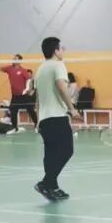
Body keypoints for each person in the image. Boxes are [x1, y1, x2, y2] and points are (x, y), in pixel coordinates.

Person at [33, 37, 81, 201]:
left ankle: (52, 187)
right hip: (57, 117)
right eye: (61, 48)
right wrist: (72, 109)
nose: (63, 51)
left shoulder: (40, 69)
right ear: (55, 50)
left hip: (45, 119)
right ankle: (46, 183)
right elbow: (61, 86)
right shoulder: (58, 65)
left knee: (51, 154)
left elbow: (38, 98)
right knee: (67, 150)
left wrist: (38, 119)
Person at [0, 54, 36, 129]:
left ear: (19, 61)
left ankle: (37, 124)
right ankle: (14, 127)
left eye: (15, 59)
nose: (13, 60)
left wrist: (29, 90)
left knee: (30, 110)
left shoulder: (23, 70)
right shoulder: (9, 68)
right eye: (13, 58)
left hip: (24, 95)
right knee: (13, 110)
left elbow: (29, 80)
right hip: (15, 96)